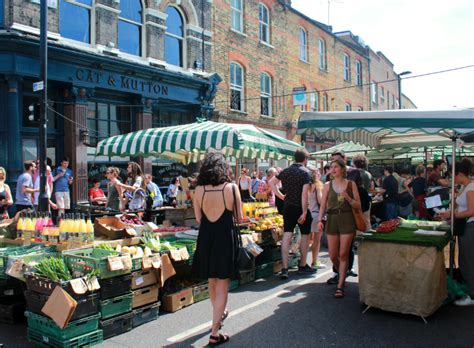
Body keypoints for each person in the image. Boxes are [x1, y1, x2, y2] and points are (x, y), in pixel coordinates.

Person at [192, 152, 241, 346]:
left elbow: (198, 219)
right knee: (222, 285)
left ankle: (217, 318)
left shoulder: (198, 190)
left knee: (212, 281)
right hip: (224, 238)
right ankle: (214, 332)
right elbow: (240, 216)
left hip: (206, 238)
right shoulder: (231, 188)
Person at [269, 148, 316, 279]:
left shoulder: (286, 171)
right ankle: (302, 265)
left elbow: (271, 183)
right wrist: (305, 212)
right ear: (305, 159)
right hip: (300, 207)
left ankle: (284, 268)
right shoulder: (306, 173)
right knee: (305, 235)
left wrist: (281, 196)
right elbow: (304, 195)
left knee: (287, 235)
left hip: (288, 207)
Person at [317, 158, 361, 298]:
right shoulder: (327, 185)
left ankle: (340, 286)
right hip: (332, 220)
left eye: (336, 167)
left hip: (347, 219)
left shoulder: (351, 184)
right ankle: (343, 270)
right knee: (332, 254)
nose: (333, 169)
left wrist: (348, 198)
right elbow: (323, 205)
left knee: (343, 254)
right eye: (331, 167)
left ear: (342, 169)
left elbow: (358, 206)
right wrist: (319, 219)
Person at [439, 159, 474, 306]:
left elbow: (472, 211)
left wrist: (452, 215)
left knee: (468, 261)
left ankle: (472, 295)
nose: (453, 179)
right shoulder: (465, 186)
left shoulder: (470, 188)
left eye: (454, 175)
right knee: (466, 260)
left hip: (470, 227)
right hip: (466, 227)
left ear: (460, 174)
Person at [352, 154, 373, 231]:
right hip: (366, 198)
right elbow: (371, 187)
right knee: (367, 220)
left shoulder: (353, 173)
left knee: (357, 219)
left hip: (356, 199)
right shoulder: (368, 174)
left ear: (354, 163)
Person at [308, 168, 324, 268]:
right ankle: (314, 262)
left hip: (306, 214)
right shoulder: (318, 186)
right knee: (316, 240)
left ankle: (302, 262)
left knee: (306, 239)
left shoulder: (305, 186)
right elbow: (320, 200)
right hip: (316, 214)